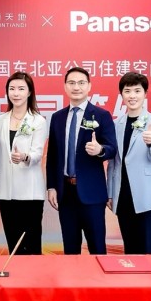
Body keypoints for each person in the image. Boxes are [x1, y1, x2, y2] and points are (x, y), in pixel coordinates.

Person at [46, 67, 117, 255]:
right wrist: (52, 186)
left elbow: (112, 148)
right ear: (65, 86)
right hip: (65, 193)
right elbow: (53, 155)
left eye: (81, 83)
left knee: (97, 249)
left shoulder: (101, 115)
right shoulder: (57, 117)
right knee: (70, 249)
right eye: (71, 83)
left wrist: (100, 150)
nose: (76, 87)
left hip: (92, 193)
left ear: (89, 86)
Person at [106, 72, 151, 254]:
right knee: (131, 250)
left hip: (148, 195)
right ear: (121, 95)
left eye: (137, 91)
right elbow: (113, 162)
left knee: (149, 250)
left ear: (145, 94)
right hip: (123, 195)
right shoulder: (116, 123)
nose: (132, 96)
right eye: (127, 91)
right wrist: (110, 192)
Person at [0, 72, 48, 255]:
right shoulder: (1, 120)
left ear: (29, 92)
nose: (16, 93)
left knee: (31, 243)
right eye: (12, 89)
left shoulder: (38, 120)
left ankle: (33, 274)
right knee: (13, 243)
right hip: (5, 190)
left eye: (21, 89)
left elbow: (38, 153)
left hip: (30, 191)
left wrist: (24, 157)